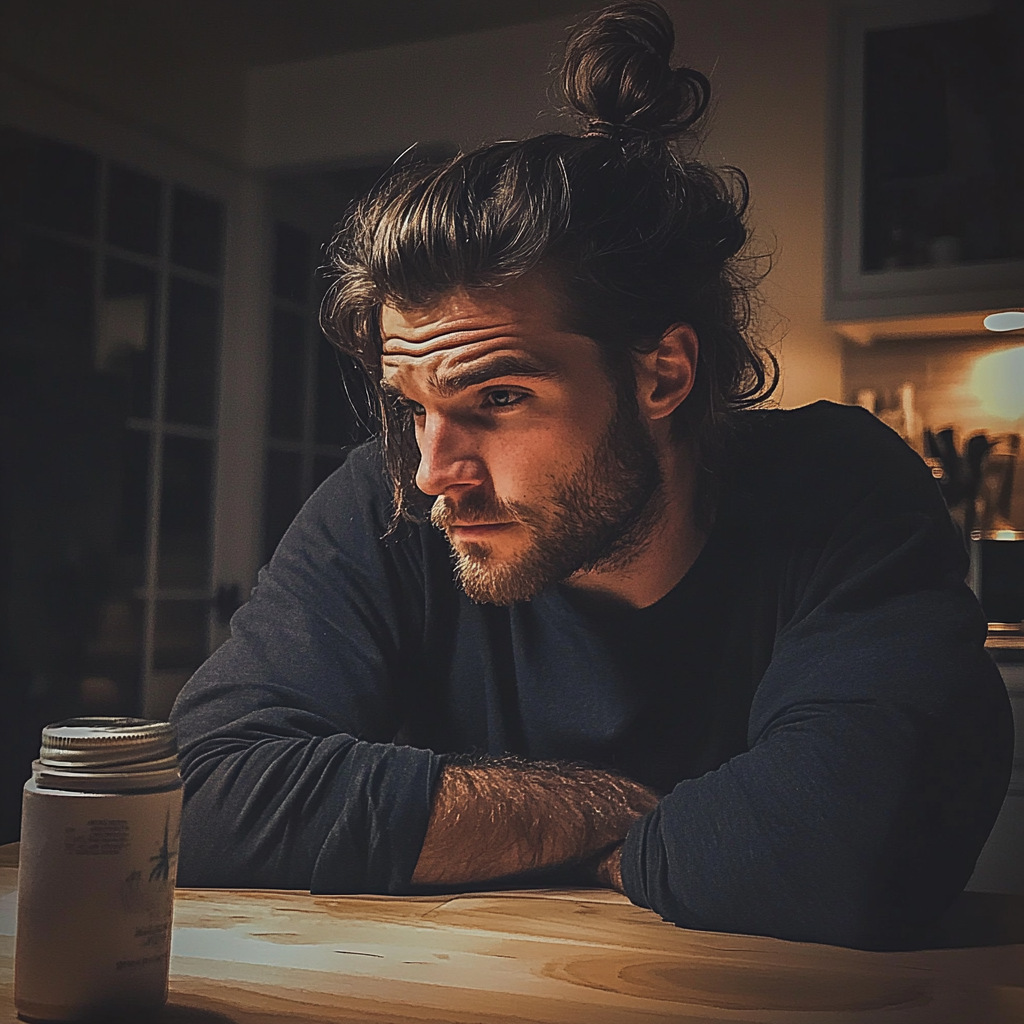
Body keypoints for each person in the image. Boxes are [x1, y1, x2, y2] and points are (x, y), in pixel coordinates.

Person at [170, 0, 1013, 950]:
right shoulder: (389, 500)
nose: (435, 467)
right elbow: (193, 788)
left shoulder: (838, 487)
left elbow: (842, 851)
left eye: (497, 399)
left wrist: (476, 830)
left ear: (662, 375)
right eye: (411, 404)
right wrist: (599, 812)